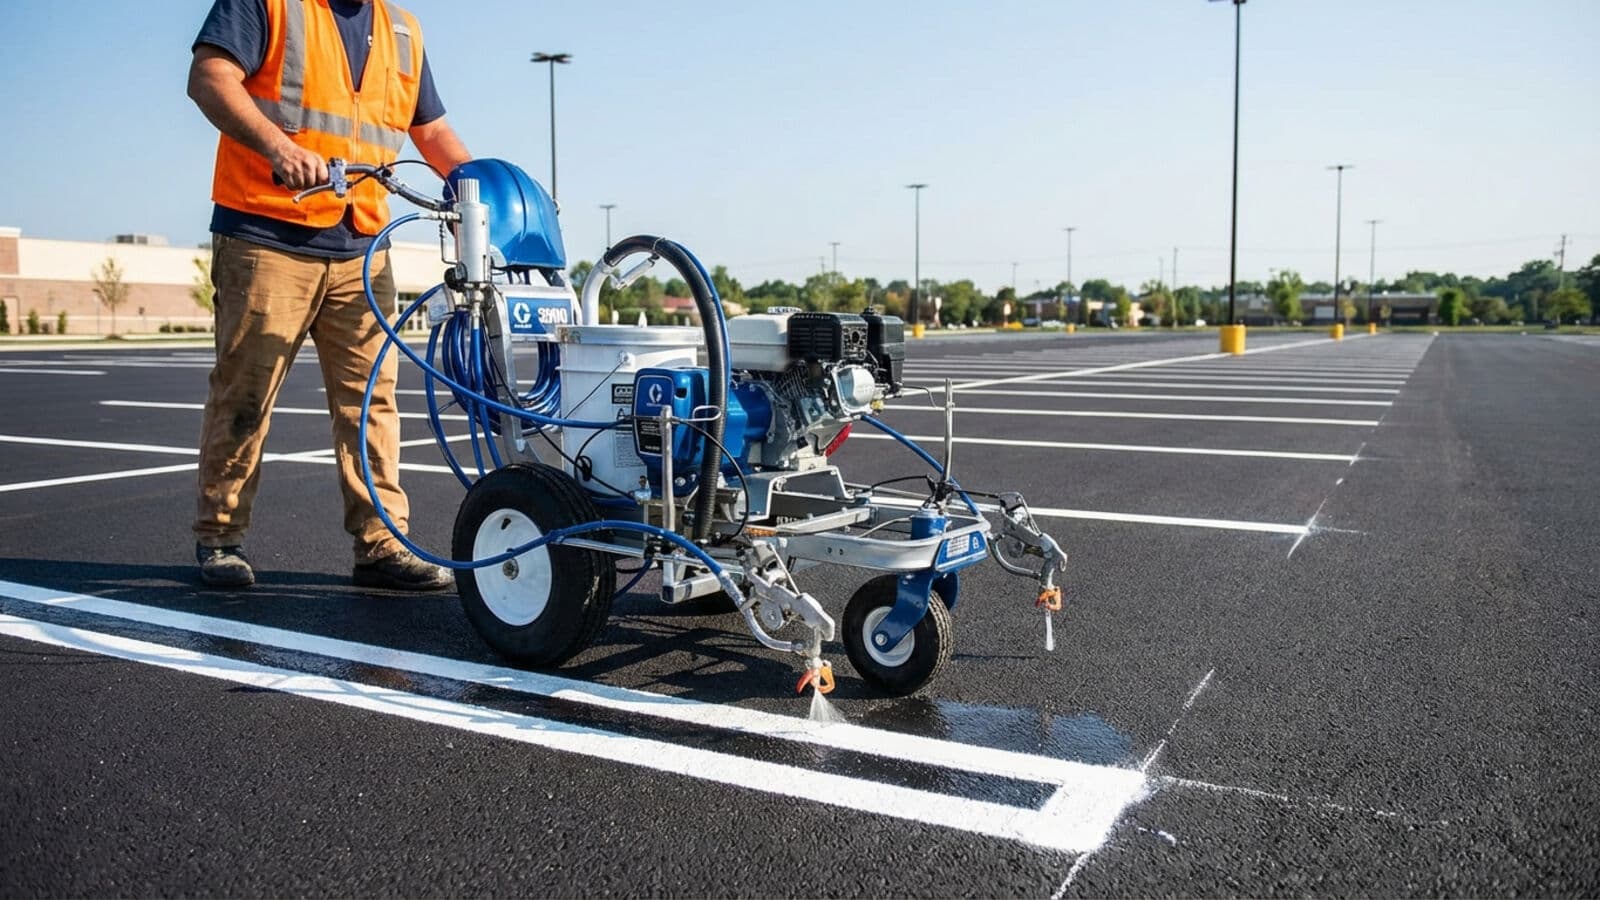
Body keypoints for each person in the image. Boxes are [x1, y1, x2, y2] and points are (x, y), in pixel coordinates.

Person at [187, 0, 472, 589]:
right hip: (266, 232)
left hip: (363, 242)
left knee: (371, 402)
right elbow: (210, 77)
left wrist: (479, 187)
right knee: (247, 394)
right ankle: (220, 538)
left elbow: (432, 130)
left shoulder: (401, 31)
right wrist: (278, 147)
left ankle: (381, 544)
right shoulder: (270, 5)